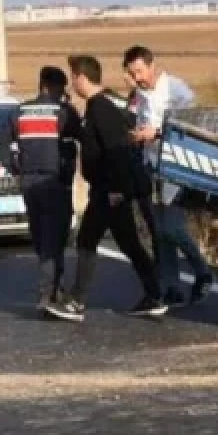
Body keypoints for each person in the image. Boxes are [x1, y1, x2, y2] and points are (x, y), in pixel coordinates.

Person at [44, 55, 168, 322]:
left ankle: (76, 302)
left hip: (109, 190)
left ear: (81, 78)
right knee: (129, 244)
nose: (72, 84)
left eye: (73, 77)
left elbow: (117, 150)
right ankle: (155, 295)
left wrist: (116, 189)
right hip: (111, 188)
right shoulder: (104, 103)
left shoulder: (100, 106)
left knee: (87, 241)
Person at [123, 44, 213, 306]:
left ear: (152, 65)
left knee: (171, 227)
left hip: (177, 165)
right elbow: (142, 123)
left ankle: (203, 272)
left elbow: (194, 124)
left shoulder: (176, 89)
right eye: (132, 73)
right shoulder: (140, 95)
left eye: (140, 71)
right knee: (160, 231)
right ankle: (172, 287)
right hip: (153, 164)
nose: (138, 77)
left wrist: (158, 133)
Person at [0, 66, 83, 311]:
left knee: (42, 237)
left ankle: (55, 289)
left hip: (29, 182)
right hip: (55, 182)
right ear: (52, 87)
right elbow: (84, 136)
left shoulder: (20, 111)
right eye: (61, 89)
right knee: (55, 239)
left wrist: (15, 167)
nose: (62, 94)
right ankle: (48, 295)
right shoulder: (63, 112)